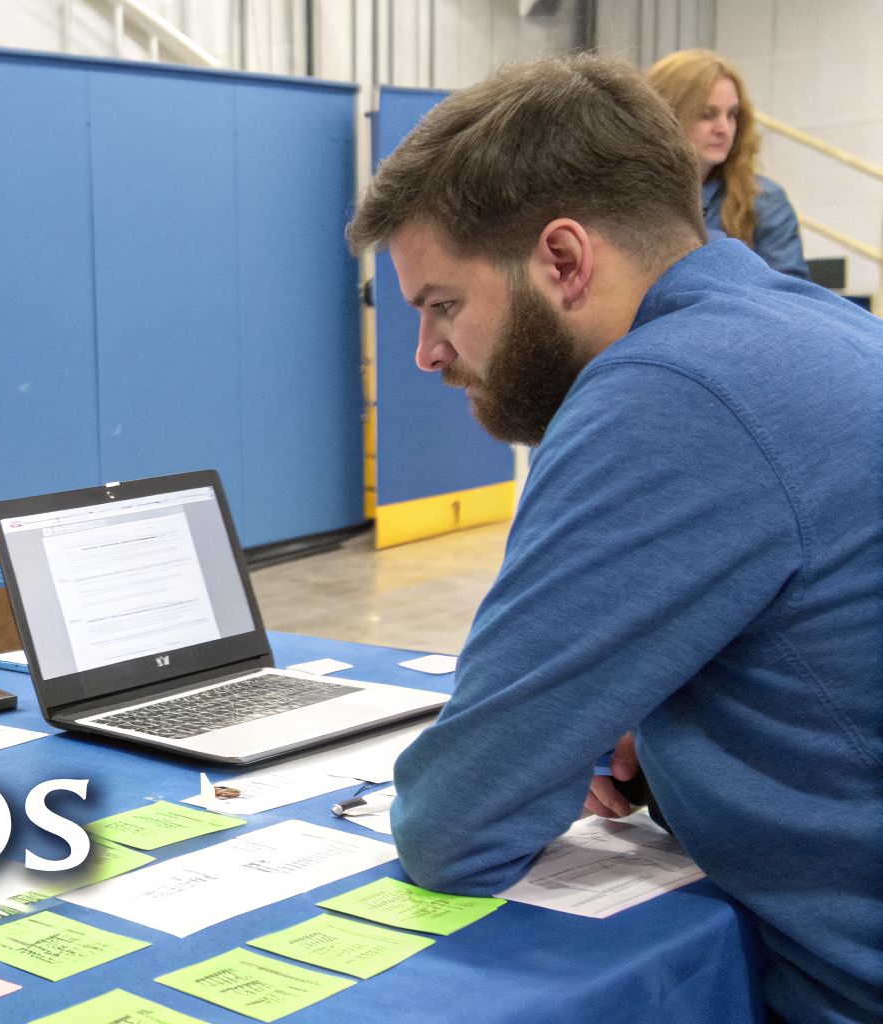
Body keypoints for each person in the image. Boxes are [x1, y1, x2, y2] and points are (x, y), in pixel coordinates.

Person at [347, 56, 882, 1024]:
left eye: (440, 305)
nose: (426, 352)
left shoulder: (668, 393)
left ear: (560, 259)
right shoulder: (810, 327)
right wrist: (677, 730)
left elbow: (454, 822)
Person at [648, 48, 812, 279]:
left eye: (732, 114)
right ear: (666, 118)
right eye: (707, 114)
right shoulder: (630, 198)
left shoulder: (765, 201)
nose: (723, 129)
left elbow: (788, 300)